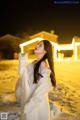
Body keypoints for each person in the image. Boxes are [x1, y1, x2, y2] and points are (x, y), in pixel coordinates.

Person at [15, 40, 57, 120]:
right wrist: (23, 60)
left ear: (45, 51)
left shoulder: (42, 64)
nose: (37, 46)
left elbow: (43, 87)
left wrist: (30, 105)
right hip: (30, 99)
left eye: (40, 45)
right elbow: (23, 75)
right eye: (37, 44)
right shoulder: (34, 62)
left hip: (37, 105)